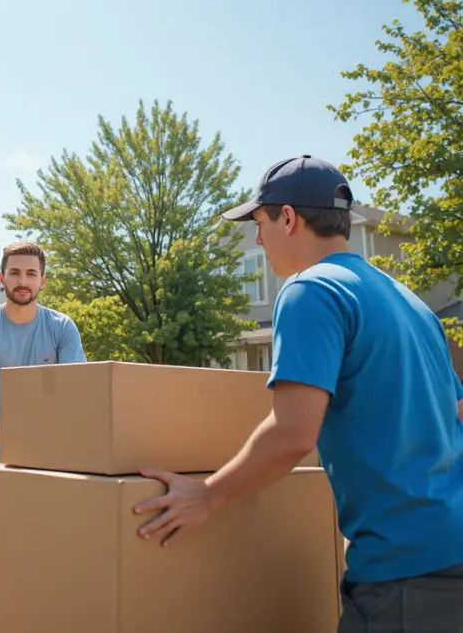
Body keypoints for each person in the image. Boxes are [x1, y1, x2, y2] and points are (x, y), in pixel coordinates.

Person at [133, 155, 463, 632]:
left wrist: (207, 495)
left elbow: (293, 432)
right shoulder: (408, 300)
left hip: (407, 571)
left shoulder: (312, 290)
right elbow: (454, 408)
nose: (259, 239)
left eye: (260, 222)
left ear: (287, 217)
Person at [0, 241, 87, 558]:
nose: (23, 281)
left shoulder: (62, 329)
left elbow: (75, 393)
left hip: (46, 465)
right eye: (14, 272)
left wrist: (38, 449)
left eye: (31, 273)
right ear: (1, 279)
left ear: (42, 281)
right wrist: (14, 442)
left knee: (38, 561)